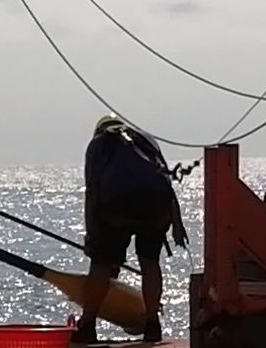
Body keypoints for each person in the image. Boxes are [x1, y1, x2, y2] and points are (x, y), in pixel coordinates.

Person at [73, 113, 189, 343]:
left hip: (117, 206)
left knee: (101, 266)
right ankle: (152, 323)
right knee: (150, 262)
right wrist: (177, 223)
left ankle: (87, 324)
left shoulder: (99, 144)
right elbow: (164, 180)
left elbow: (93, 191)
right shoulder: (145, 140)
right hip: (156, 207)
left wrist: (93, 237)